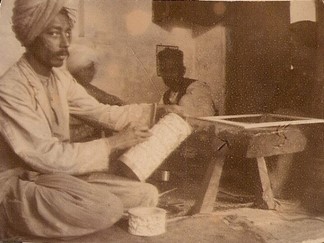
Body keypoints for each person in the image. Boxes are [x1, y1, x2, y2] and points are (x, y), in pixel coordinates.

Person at [0, 0, 185, 239]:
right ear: (32, 36)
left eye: (67, 32)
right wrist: (113, 143)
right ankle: (12, 215)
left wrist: (158, 111)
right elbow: (44, 156)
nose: (65, 43)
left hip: (60, 176)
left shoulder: (59, 78)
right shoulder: (10, 88)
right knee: (107, 207)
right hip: (25, 184)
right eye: (54, 33)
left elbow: (101, 113)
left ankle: (85, 215)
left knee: (146, 195)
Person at [66, 45, 125, 142]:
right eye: (88, 68)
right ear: (76, 69)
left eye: (92, 68)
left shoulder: (87, 87)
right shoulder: (72, 87)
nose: (92, 72)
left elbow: (113, 100)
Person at [157, 47, 218, 117]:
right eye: (164, 70)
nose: (168, 75)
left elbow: (206, 116)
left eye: (172, 70)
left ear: (183, 71)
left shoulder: (197, 87)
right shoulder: (166, 95)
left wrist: (170, 109)